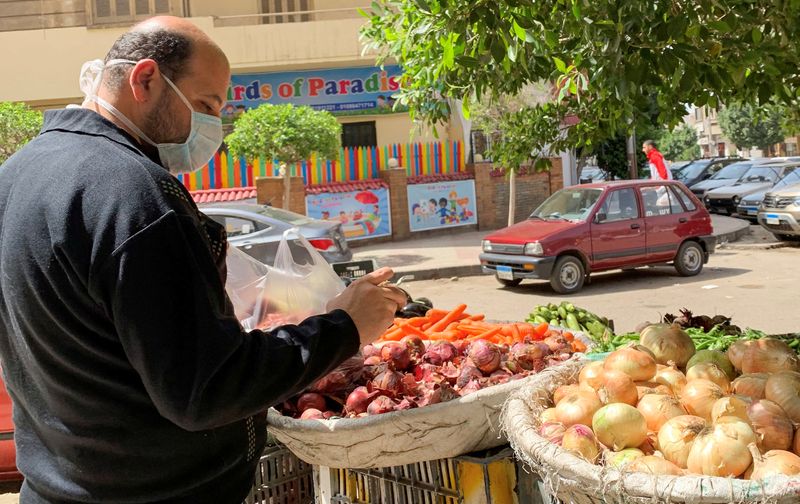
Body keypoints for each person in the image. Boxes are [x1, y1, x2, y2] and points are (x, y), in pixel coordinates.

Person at [0, 17, 405, 504]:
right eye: (206, 105)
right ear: (145, 79)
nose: (212, 126)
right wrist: (346, 325)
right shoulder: (136, 194)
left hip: (57, 487)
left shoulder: (16, 175)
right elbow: (205, 390)